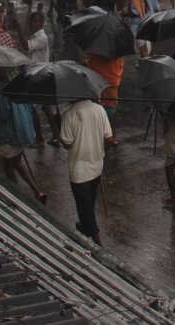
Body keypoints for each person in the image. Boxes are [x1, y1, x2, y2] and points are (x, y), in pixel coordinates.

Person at [58, 94, 117, 245]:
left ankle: (98, 242)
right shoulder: (100, 110)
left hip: (79, 171)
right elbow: (110, 139)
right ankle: (84, 228)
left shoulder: (69, 115)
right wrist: (101, 151)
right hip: (96, 166)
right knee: (88, 202)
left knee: (85, 207)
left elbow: (67, 143)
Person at [0, 85, 47, 203]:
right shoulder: (24, 89)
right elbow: (32, 108)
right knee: (18, 162)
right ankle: (36, 191)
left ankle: (14, 193)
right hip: (23, 133)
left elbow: (1, 115)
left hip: (9, 135)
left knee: (8, 164)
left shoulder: (5, 93)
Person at [26, 11, 61, 146]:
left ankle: (40, 138)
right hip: (40, 74)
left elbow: (26, 46)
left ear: (42, 23)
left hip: (38, 76)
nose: (34, 24)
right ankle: (56, 136)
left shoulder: (41, 37)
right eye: (32, 21)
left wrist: (17, 27)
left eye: (37, 21)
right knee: (46, 108)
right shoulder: (37, 36)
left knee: (32, 107)